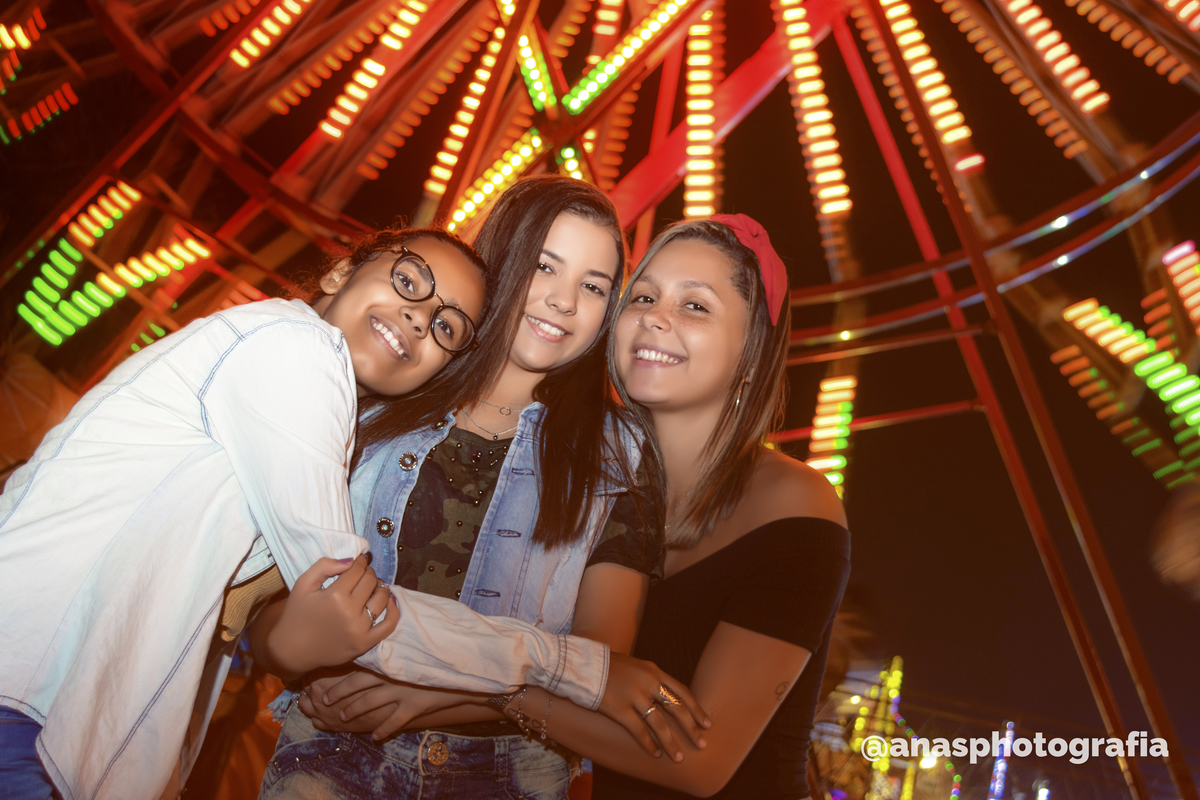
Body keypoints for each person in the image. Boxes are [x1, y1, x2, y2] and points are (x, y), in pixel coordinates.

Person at [302, 215, 850, 799]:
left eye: (695, 306)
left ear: (750, 352)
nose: (654, 317)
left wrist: (486, 690)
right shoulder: (584, 483)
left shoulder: (794, 503)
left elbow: (697, 762)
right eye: (641, 296)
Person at [251, 175, 705, 800]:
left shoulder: (618, 453)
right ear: (502, 260)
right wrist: (282, 642)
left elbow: (600, 660)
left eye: (594, 287)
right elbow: (270, 603)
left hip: (507, 771)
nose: (564, 303)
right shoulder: (373, 407)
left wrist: (428, 696)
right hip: (333, 751)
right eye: (544, 267)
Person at [0, 226, 488, 799]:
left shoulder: (299, 400)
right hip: (29, 700)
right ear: (338, 273)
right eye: (408, 281)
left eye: (446, 327)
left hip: (47, 710)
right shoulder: (295, 347)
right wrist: (548, 672)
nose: (418, 319)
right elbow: (343, 589)